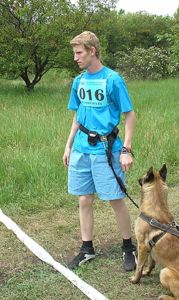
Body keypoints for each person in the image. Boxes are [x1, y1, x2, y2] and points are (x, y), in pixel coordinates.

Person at [63, 31, 136, 271]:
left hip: (106, 149)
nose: (76, 58)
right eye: (75, 53)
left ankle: (128, 247)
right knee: (84, 199)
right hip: (81, 150)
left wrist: (126, 149)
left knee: (115, 199)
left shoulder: (113, 80)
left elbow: (129, 115)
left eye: (79, 52)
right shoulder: (79, 81)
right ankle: (87, 249)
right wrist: (68, 145)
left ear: (92, 51)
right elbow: (77, 115)